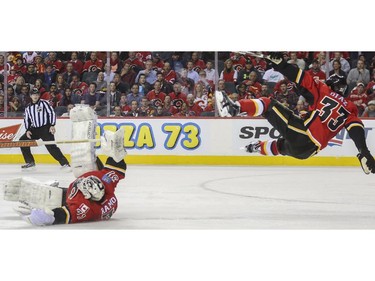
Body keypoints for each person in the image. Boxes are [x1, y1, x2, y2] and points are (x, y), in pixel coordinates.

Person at [216, 52, 375, 175]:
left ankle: (234, 108)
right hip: (307, 152)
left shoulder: (323, 91)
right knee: (280, 146)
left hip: (305, 135)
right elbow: (355, 128)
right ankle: (256, 147)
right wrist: (364, 152)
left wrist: (281, 65)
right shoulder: (350, 108)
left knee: (268, 104)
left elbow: (300, 77)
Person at [5, 128, 127, 226]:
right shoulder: (106, 180)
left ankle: (48, 199)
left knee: (53, 197)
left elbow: (64, 216)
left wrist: (48, 217)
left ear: (87, 195)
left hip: (72, 200)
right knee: (93, 163)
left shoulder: (86, 209)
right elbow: (117, 168)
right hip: (88, 192)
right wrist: (116, 150)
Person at [19, 88, 70, 170]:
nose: (35, 96)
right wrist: (28, 130)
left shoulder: (44, 103)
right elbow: (27, 120)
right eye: (33, 94)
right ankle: (30, 162)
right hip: (34, 129)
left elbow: (51, 113)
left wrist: (52, 125)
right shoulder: (28, 107)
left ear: (39, 95)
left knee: (51, 146)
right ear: (30, 96)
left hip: (45, 128)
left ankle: (65, 163)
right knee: (22, 141)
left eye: (37, 94)